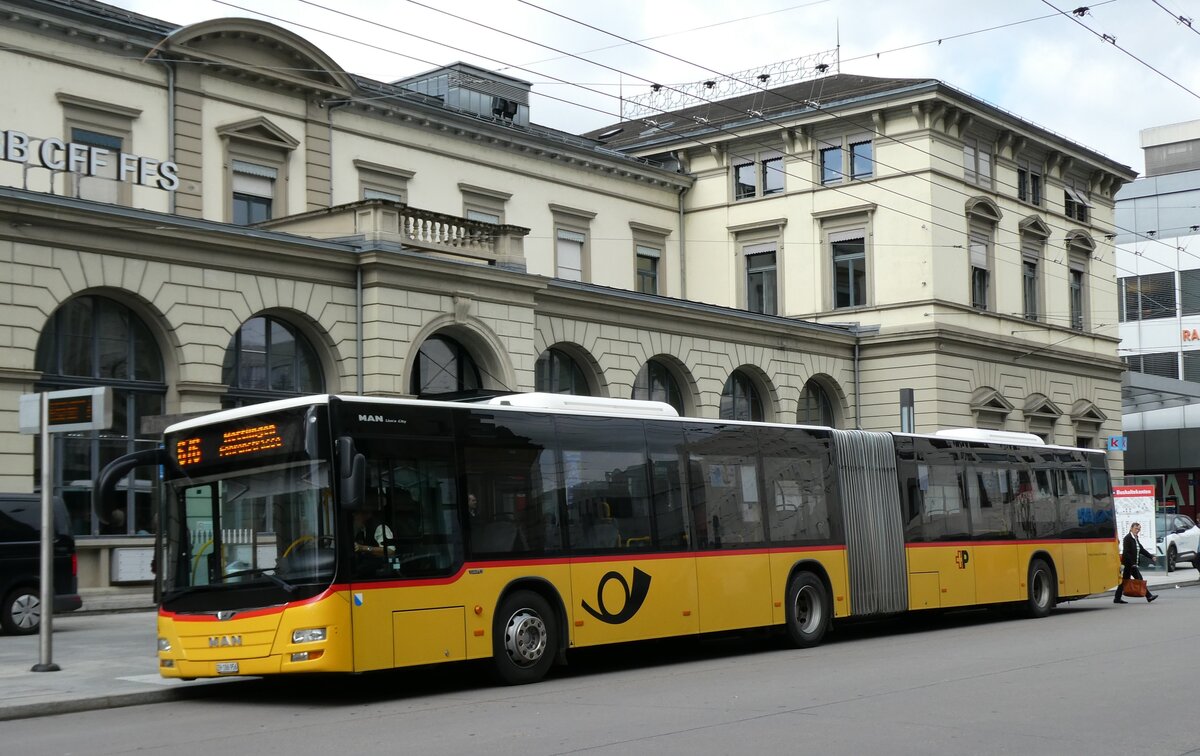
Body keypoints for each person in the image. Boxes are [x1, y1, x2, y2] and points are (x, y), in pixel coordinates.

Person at [1114, 522, 1158, 604]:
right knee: (1139, 579)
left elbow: (1141, 549)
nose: (1137, 530)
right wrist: (1132, 563)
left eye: (1139, 529)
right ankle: (1149, 596)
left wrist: (1151, 556)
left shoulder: (1135, 538)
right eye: (1136, 528)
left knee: (1124, 581)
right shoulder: (1127, 538)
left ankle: (1117, 598)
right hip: (1128, 564)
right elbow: (1126, 553)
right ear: (1131, 528)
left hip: (1132, 564)